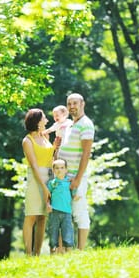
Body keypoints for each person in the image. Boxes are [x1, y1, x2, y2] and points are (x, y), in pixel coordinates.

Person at [58, 93, 95, 250]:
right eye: (69, 103)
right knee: (63, 213)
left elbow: (86, 153)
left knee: (79, 212)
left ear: (82, 104)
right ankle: (62, 251)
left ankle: (80, 251)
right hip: (63, 177)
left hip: (75, 177)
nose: (72, 106)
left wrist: (78, 179)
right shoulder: (70, 125)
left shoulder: (86, 124)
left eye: (75, 103)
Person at [22, 108, 57, 256]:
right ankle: (28, 255)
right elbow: (35, 165)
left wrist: (56, 147)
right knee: (31, 216)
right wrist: (44, 187)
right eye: (44, 118)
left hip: (49, 177)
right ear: (37, 121)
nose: (47, 121)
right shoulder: (27, 140)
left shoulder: (45, 137)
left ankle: (37, 254)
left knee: (43, 216)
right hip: (36, 179)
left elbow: (50, 159)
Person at [47, 159, 75, 254]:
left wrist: (75, 195)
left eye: (62, 168)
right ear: (53, 170)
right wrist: (47, 204)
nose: (59, 170)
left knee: (67, 234)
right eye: (57, 168)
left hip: (67, 212)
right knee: (53, 234)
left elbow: (74, 191)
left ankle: (69, 254)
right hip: (54, 212)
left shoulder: (69, 181)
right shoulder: (52, 183)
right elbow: (48, 195)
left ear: (66, 170)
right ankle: (52, 254)